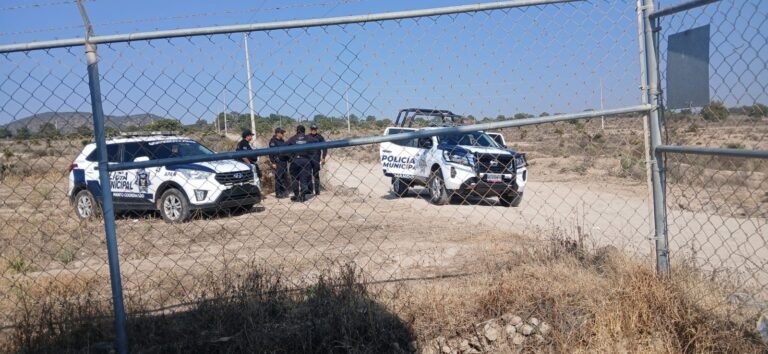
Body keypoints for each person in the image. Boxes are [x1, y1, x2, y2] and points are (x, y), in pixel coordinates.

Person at [284, 125, 312, 202]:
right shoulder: (308, 138)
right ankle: (303, 196)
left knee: (294, 178)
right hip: (305, 160)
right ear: (304, 131)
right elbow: (316, 143)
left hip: (295, 160)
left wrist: (290, 156)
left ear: (297, 131)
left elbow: (284, 146)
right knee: (304, 178)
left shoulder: (293, 138)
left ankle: (296, 196)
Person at [268, 127, 289, 198]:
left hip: (284, 161)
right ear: (277, 133)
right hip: (278, 161)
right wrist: (273, 162)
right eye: (282, 133)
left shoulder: (282, 141)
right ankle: (278, 193)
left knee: (284, 177)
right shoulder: (273, 141)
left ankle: (283, 192)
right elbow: (271, 153)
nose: (283, 134)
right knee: (278, 177)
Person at [307, 123, 327, 195]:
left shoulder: (320, 137)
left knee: (316, 174)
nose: (313, 130)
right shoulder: (307, 137)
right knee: (308, 174)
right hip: (308, 158)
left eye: (315, 129)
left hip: (316, 157)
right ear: (310, 129)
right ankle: (310, 190)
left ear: (317, 129)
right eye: (312, 129)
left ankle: (317, 191)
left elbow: (325, 147)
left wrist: (323, 157)